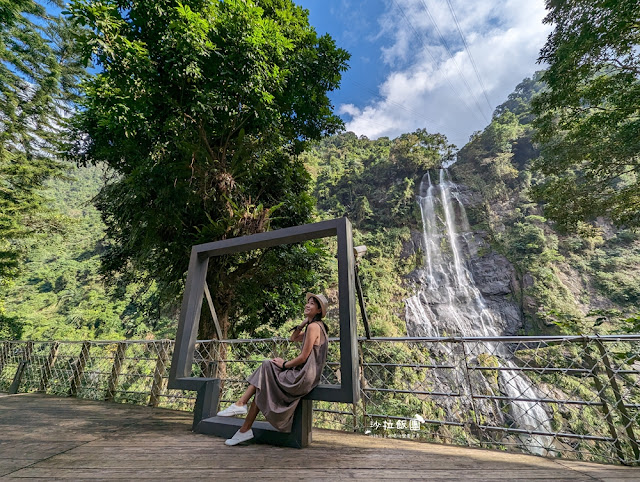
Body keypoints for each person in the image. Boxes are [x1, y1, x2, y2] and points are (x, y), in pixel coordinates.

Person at [216, 292, 329, 446]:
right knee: (263, 382)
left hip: (304, 376)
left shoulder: (315, 327)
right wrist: (303, 323)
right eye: (308, 302)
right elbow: (293, 338)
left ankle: (241, 406)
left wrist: (283, 364)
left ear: (318, 311)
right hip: (305, 374)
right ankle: (243, 428)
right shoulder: (314, 326)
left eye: (312, 304)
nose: (307, 305)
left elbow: (303, 357)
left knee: (268, 365)